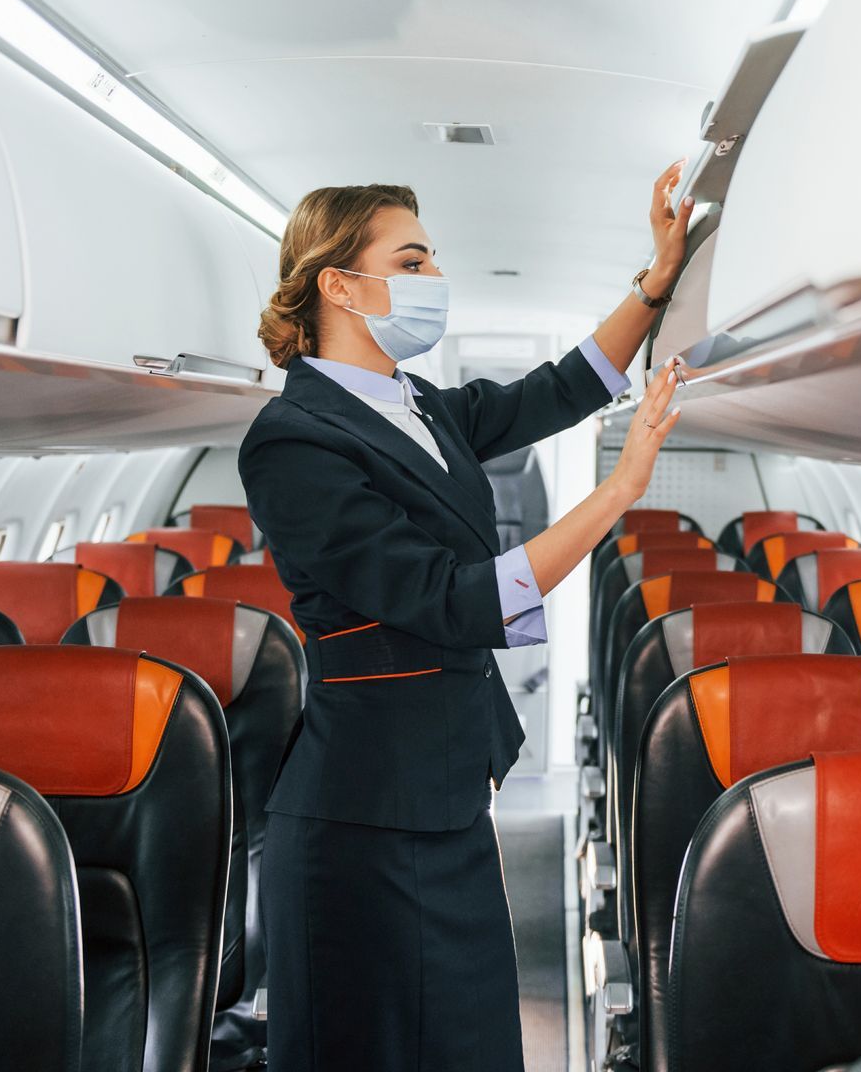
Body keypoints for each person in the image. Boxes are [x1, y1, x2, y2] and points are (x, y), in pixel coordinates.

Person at [239, 163, 690, 1070]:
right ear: (340, 283)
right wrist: (619, 493)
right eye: (411, 259)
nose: (433, 276)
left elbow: (559, 390)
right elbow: (451, 599)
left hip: (444, 795)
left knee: (476, 1047)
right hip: (358, 824)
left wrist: (656, 282)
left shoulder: (420, 409)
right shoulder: (293, 442)